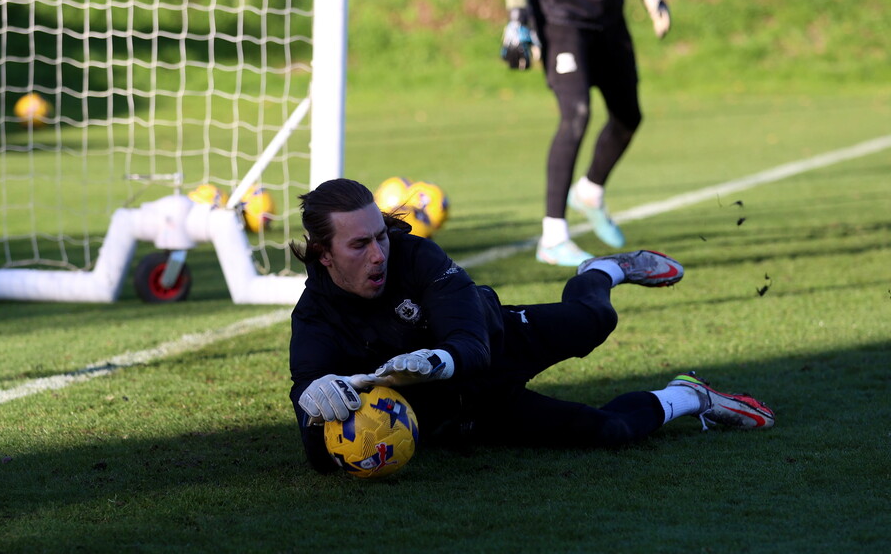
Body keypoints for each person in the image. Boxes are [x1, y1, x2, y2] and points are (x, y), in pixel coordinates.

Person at [288, 179, 773, 473]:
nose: (379, 254)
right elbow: (319, 453)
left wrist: (436, 360)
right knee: (610, 431)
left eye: (381, 236)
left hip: (500, 340)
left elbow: (472, 343)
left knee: (597, 319)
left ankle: (601, 272)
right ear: (324, 254)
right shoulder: (313, 318)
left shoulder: (417, 256)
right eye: (360, 245)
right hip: (475, 411)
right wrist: (312, 408)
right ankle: (690, 396)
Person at [501, 0, 672, 267]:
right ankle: (553, 237)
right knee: (576, 114)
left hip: (608, 18)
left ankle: (590, 192)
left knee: (628, 116)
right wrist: (517, 17)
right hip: (560, 18)